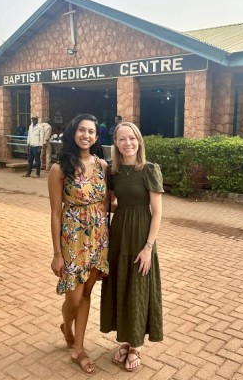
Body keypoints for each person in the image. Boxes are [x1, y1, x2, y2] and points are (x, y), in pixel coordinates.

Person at [100, 121, 164, 372]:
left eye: (132, 138)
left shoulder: (149, 169)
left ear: (139, 141)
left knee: (137, 288)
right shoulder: (113, 173)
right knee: (122, 286)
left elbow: (157, 213)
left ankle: (136, 345)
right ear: (115, 143)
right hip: (119, 234)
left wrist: (148, 247)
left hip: (141, 238)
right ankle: (126, 341)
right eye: (122, 139)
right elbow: (113, 204)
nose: (128, 143)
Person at [48, 114, 109, 375]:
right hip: (72, 239)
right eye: (82, 130)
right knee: (73, 296)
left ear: (96, 137)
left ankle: (80, 348)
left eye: (91, 132)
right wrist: (57, 254)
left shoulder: (103, 165)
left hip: (98, 238)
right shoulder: (59, 168)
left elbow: (107, 204)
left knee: (87, 293)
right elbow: (54, 212)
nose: (86, 135)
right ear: (73, 133)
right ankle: (66, 325)